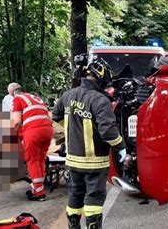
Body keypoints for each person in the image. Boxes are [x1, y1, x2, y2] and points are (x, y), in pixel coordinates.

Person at [52, 59, 126, 229]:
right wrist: (120, 146)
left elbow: (55, 116)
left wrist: (72, 130)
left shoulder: (68, 95)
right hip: (94, 161)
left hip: (73, 160)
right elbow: (108, 131)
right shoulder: (100, 100)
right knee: (94, 197)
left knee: (75, 195)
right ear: (102, 78)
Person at [11, 86, 53, 201]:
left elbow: (17, 121)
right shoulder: (37, 99)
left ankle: (39, 193)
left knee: (32, 160)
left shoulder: (17, 99)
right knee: (40, 159)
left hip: (34, 132)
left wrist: (16, 135)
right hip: (47, 131)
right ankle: (38, 188)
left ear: (15, 94)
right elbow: (50, 118)